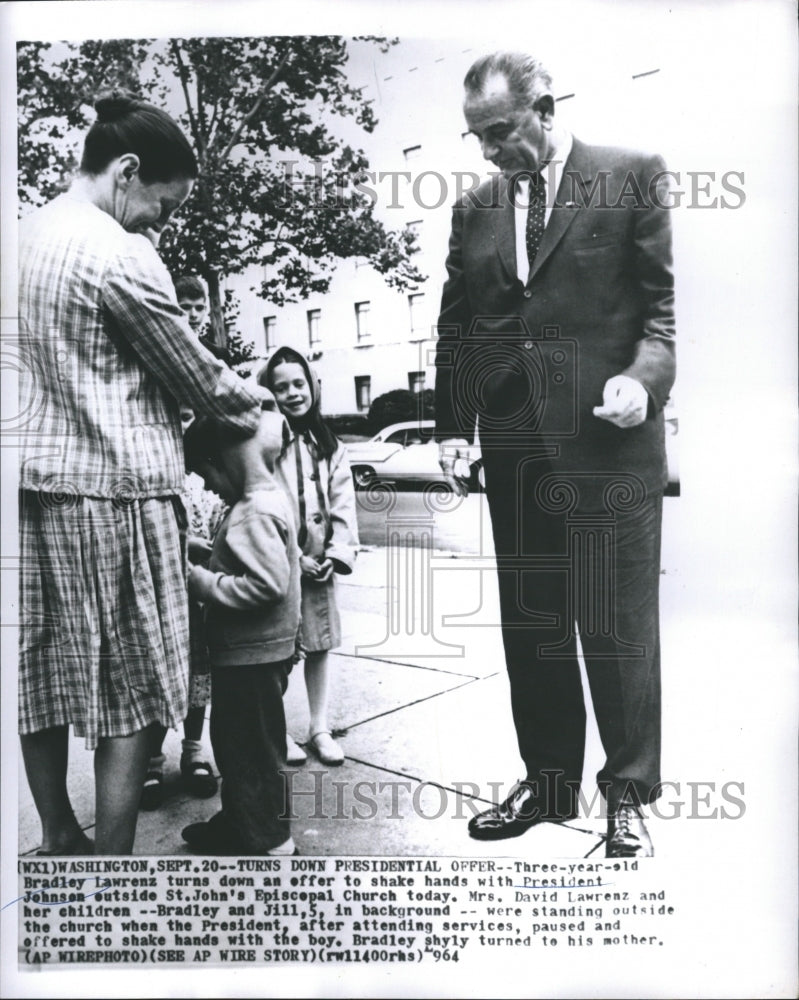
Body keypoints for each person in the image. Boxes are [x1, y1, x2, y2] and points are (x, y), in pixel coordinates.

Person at [434, 52, 675, 857]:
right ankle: (546, 784)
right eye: (477, 138)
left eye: (499, 132)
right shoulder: (473, 208)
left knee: (616, 631)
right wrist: (449, 427)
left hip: (608, 449)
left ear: (543, 106)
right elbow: (458, 329)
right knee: (534, 627)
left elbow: (661, 319)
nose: (489, 151)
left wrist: (641, 382)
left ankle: (628, 794)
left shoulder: (630, 173)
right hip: (516, 453)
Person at [18, 92, 269, 855]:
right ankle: (112, 861)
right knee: (134, 691)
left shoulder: (24, 235)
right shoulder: (121, 253)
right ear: (127, 171)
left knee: (42, 677)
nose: (162, 222)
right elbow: (198, 379)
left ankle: (61, 830)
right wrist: (255, 400)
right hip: (117, 497)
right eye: (164, 204)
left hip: (28, 494)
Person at [180, 409, 300, 855]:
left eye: (206, 475)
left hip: (250, 659)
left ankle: (273, 842)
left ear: (224, 458)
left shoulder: (253, 512)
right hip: (254, 656)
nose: (208, 487)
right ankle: (240, 822)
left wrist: (203, 582)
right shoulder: (269, 499)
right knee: (236, 747)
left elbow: (267, 585)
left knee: (251, 753)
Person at [140, 276, 222, 809]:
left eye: (199, 305)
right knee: (149, 647)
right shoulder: (151, 354)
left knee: (200, 653)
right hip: (156, 511)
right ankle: (148, 756)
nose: (191, 313)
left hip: (204, 504)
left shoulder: (215, 360)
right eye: (183, 304)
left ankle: (195, 747)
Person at [259, 347, 359, 767]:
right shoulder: (265, 442)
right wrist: (291, 556)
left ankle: (319, 727)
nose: (292, 393)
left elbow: (343, 501)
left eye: (299, 384)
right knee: (278, 652)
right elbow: (261, 499)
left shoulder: (330, 444)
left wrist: (335, 555)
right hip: (279, 566)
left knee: (319, 646)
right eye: (280, 388)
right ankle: (276, 731)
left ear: (313, 387)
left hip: (320, 566)